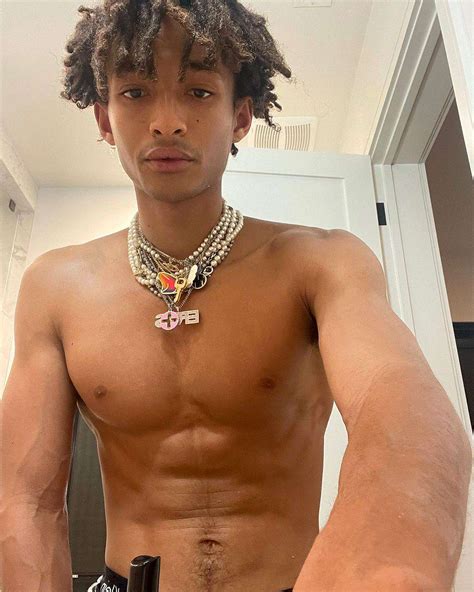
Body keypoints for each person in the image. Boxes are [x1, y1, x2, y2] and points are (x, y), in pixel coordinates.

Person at [1, 1, 471, 592]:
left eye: (198, 92)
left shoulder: (322, 261)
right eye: (135, 92)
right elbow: (24, 498)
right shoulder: (54, 286)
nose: (167, 122)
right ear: (104, 119)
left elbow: (406, 419)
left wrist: (384, 571)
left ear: (241, 117)